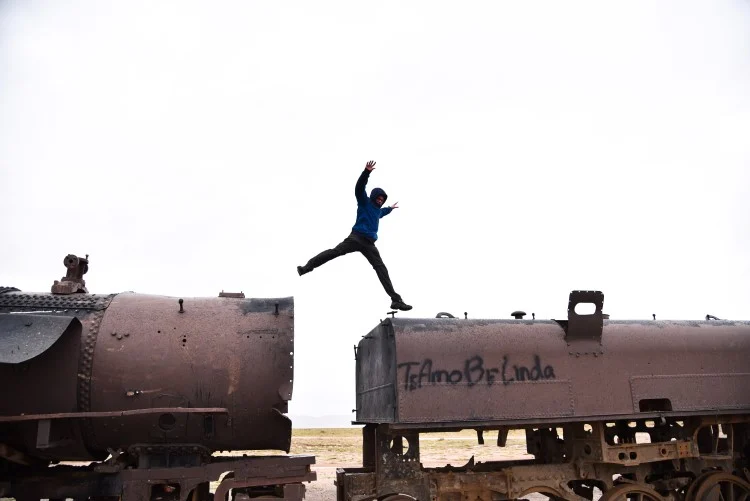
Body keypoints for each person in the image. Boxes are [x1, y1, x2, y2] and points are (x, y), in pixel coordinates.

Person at [297, 160, 412, 311]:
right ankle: (307, 267)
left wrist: (389, 208)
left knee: (381, 268)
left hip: (370, 244)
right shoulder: (365, 202)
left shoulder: (378, 210)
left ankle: (396, 300)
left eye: (382, 200)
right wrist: (366, 172)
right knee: (335, 252)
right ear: (373, 197)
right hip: (356, 237)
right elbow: (359, 188)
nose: (380, 201)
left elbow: (383, 213)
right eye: (378, 198)